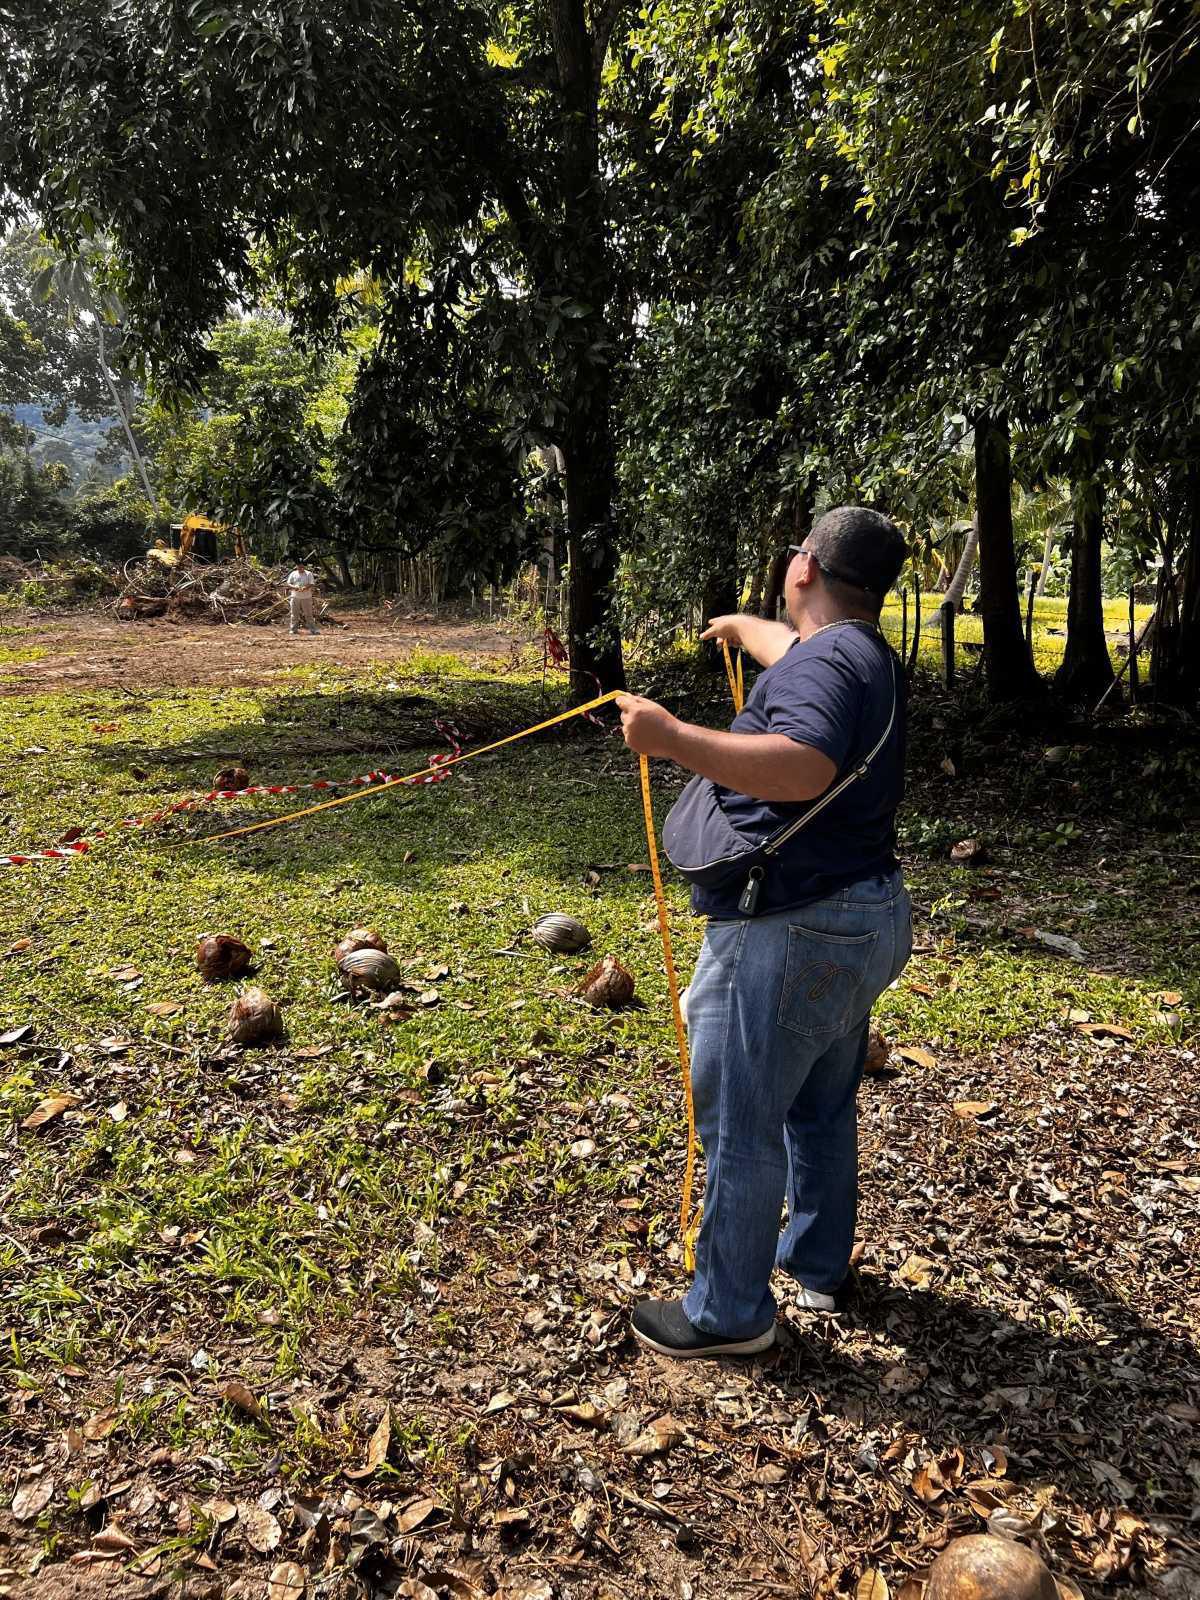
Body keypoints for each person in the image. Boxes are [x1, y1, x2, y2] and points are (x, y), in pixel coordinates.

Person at [615, 505, 912, 1359]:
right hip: (862, 915)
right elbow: (802, 660)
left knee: (742, 1120)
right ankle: (817, 1266)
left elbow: (806, 763)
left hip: (793, 924)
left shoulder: (832, 665)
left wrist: (671, 738)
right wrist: (746, 628)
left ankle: (727, 1312)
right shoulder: (863, 654)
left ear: (805, 569)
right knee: (820, 1101)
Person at [285, 559, 320, 636]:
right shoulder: (293, 574)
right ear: (296, 566)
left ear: (304, 566)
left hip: (306, 597)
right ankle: (293, 630)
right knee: (294, 614)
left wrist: (305, 588)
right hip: (295, 596)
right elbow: (288, 583)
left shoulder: (308, 574)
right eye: (299, 566)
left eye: (302, 566)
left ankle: (313, 630)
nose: (300, 567)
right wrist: (294, 587)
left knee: (308, 614)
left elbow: (311, 583)